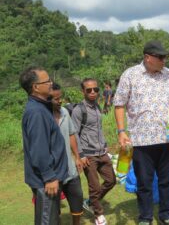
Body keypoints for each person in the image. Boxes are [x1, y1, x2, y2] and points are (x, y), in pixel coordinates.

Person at [114, 40, 169, 225]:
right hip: (141, 140)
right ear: (147, 57)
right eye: (160, 57)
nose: (164, 60)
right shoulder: (130, 75)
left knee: (167, 180)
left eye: (165, 57)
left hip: (168, 139)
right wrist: (121, 131)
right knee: (144, 182)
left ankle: (166, 215)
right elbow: (119, 104)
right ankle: (145, 218)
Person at [19, 66, 68, 225]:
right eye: (47, 81)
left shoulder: (41, 107)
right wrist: (49, 177)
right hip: (46, 180)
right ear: (36, 87)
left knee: (51, 219)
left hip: (48, 178)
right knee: (47, 221)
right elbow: (38, 149)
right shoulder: (36, 112)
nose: (51, 83)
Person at [72, 78, 116, 225]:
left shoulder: (97, 106)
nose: (93, 92)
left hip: (102, 152)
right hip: (88, 154)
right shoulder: (79, 110)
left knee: (111, 180)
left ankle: (91, 201)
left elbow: (98, 129)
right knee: (95, 186)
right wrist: (81, 155)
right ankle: (98, 214)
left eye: (95, 89)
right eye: (89, 90)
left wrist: (105, 145)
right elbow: (74, 134)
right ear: (83, 91)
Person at [51, 83, 84, 225]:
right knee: (53, 209)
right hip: (52, 173)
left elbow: (71, 134)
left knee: (77, 199)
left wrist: (77, 157)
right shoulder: (42, 117)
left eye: (60, 98)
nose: (60, 101)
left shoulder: (64, 112)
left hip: (70, 169)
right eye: (55, 99)